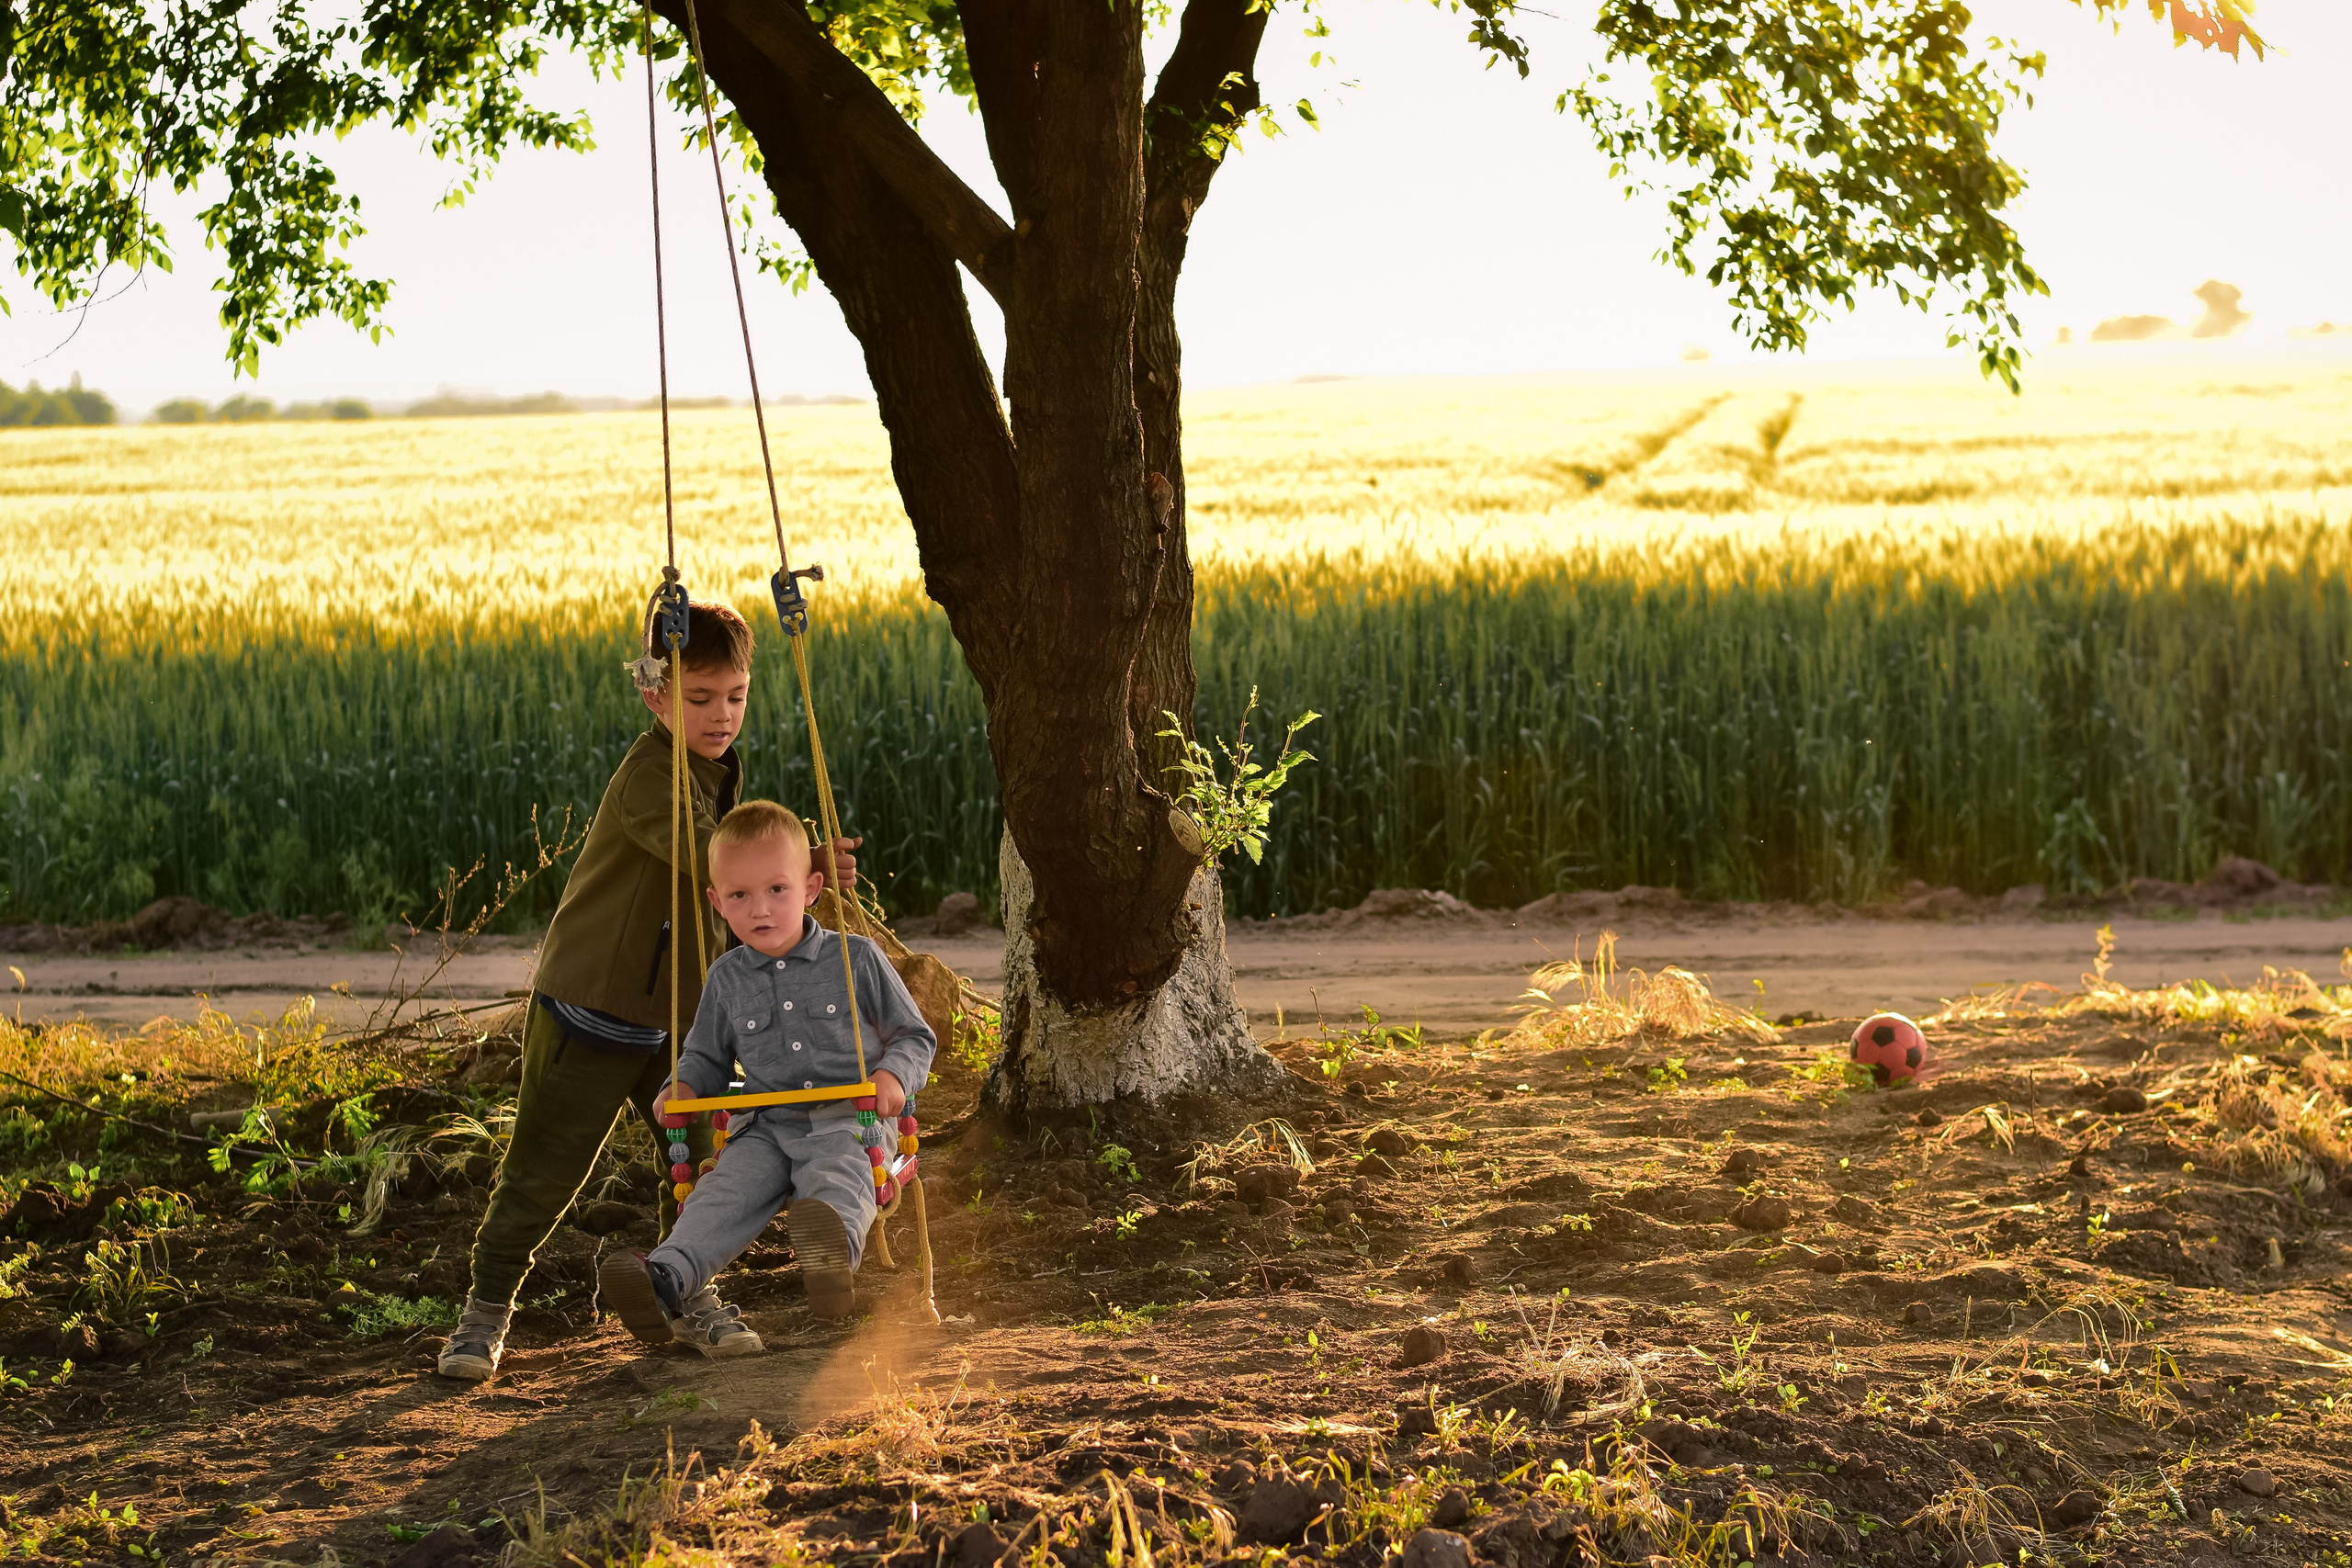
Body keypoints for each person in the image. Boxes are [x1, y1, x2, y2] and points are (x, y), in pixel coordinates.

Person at [436, 602, 860, 1381]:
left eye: (735, 695)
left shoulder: (717, 779)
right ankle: (485, 1311)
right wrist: (796, 866)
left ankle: (690, 1293)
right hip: (591, 1013)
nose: (720, 714)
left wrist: (796, 896)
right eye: (699, 698)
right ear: (655, 695)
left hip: (678, 1021)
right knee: (543, 1172)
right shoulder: (647, 779)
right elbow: (710, 858)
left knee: (697, 1173)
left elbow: (734, 900)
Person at [598, 799, 936, 1335]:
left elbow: (914, 1036)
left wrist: (892, 1077)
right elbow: (706, 1056)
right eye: (740, 895)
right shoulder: (726, 978)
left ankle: (831, 1264)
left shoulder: (857, 958)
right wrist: (681, 1087)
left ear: (811, 888)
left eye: (777, 889)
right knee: (721, 1194)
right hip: (764, 1127)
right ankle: (666, 1278)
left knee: (838, 1176)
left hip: (850, 1119)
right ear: (717, 902)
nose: (760, 910)